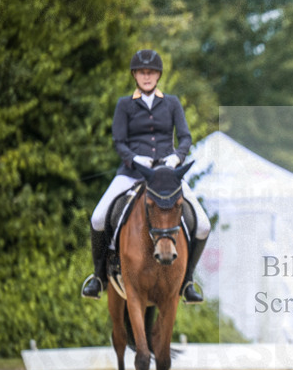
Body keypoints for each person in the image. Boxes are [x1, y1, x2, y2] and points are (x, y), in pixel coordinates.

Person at [81, 49, 210, 303]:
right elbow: (119, 141)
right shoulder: (124, 105)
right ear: (135, 75)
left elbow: (185, 137)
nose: (147, 76)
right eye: (142, 72)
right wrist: (134, 159)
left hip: (166, 177)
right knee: (98, 217)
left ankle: (187, 281)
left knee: (203, 224)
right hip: (132, 174)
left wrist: (177, 157)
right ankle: (98, 277)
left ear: (158, 75)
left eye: (151, 72)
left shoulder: (172, 103)